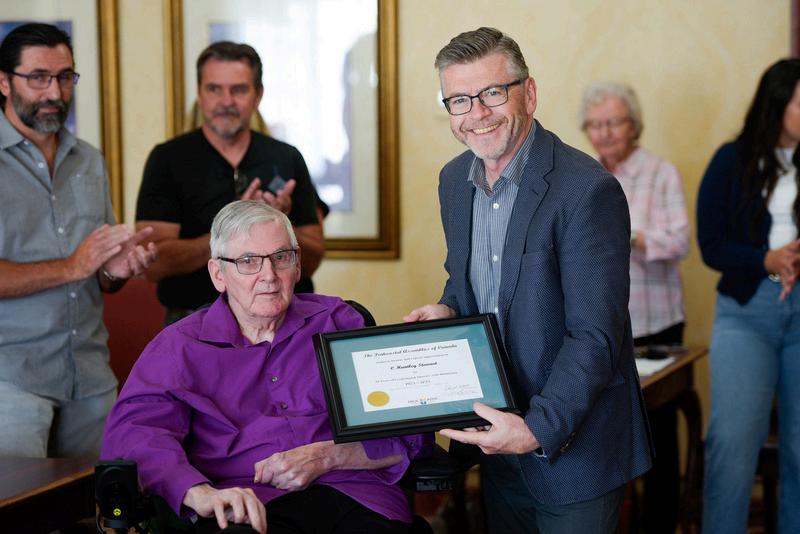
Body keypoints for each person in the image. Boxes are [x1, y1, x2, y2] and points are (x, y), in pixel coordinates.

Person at [405, 27, 652, 534]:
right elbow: (468, 283)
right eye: (459, 100)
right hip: (497, 441)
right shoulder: (454, 181)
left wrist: (535, 430)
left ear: (529, 93)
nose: (477, 113)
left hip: (574, 448)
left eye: (493, 93)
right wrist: (447, 310)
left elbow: (595, 337)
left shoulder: (587, 190)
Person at [102, 200, 431, 534]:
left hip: (356, 494)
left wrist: (327, 456)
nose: (269, 275)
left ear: (297, 265)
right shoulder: (179, 347)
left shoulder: (338, 321)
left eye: (281, 257)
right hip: (245, 502)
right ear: (218, 274)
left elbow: (411, 430)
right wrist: (197, 493)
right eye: (248, 261)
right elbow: (134, 435)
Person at [0, 23, 156, 457]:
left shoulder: (89, 158)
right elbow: (77, 265)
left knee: (102, 496)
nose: (54, 92)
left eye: (65, 77)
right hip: (11, 379)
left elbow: (99, 272)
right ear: (4, 82)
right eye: (38, 78)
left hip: (89, 374)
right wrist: (72, 266)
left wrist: (115, 270)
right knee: (19, 500)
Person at [136, 41, 325, 325]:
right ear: (200, 93)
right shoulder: (167, 159)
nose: (226, 101)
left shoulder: (287, 158)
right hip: (194, 324)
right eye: (214, 89)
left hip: (284, 324)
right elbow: (153, 263)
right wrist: (234, 229)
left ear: (258, 95)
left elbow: (312, 260)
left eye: (238, 89)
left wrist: (279, 225)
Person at [579, 81, 689, 533]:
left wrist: (631, 237)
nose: (604, 133)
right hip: (603, 327)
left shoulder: (661, 172)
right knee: (607, 434)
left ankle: (660, 524)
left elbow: (680, 241)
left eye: (613, 122)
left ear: (634, 125)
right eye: (594, 124)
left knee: (658, 436)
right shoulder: (583, 175)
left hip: (655, 323)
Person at [698, 58, 800, 534]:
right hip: (747, 313)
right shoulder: (732, 160)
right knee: (733, 442)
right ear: (776, 105)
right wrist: (767, 260)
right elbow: (711, 245)